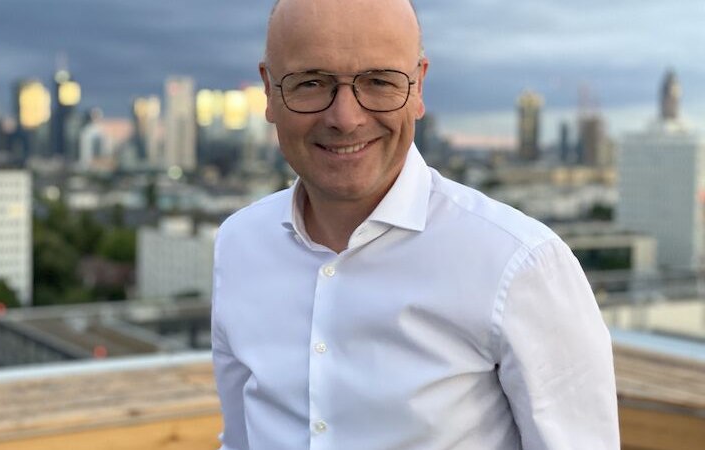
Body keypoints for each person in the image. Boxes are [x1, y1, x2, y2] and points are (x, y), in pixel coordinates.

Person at [211, 0, 620, 448]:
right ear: (269, 90)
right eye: (311, 82)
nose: (345, 118)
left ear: (419, 85)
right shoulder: (238, 243)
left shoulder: (520, 265)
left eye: (379, 81)